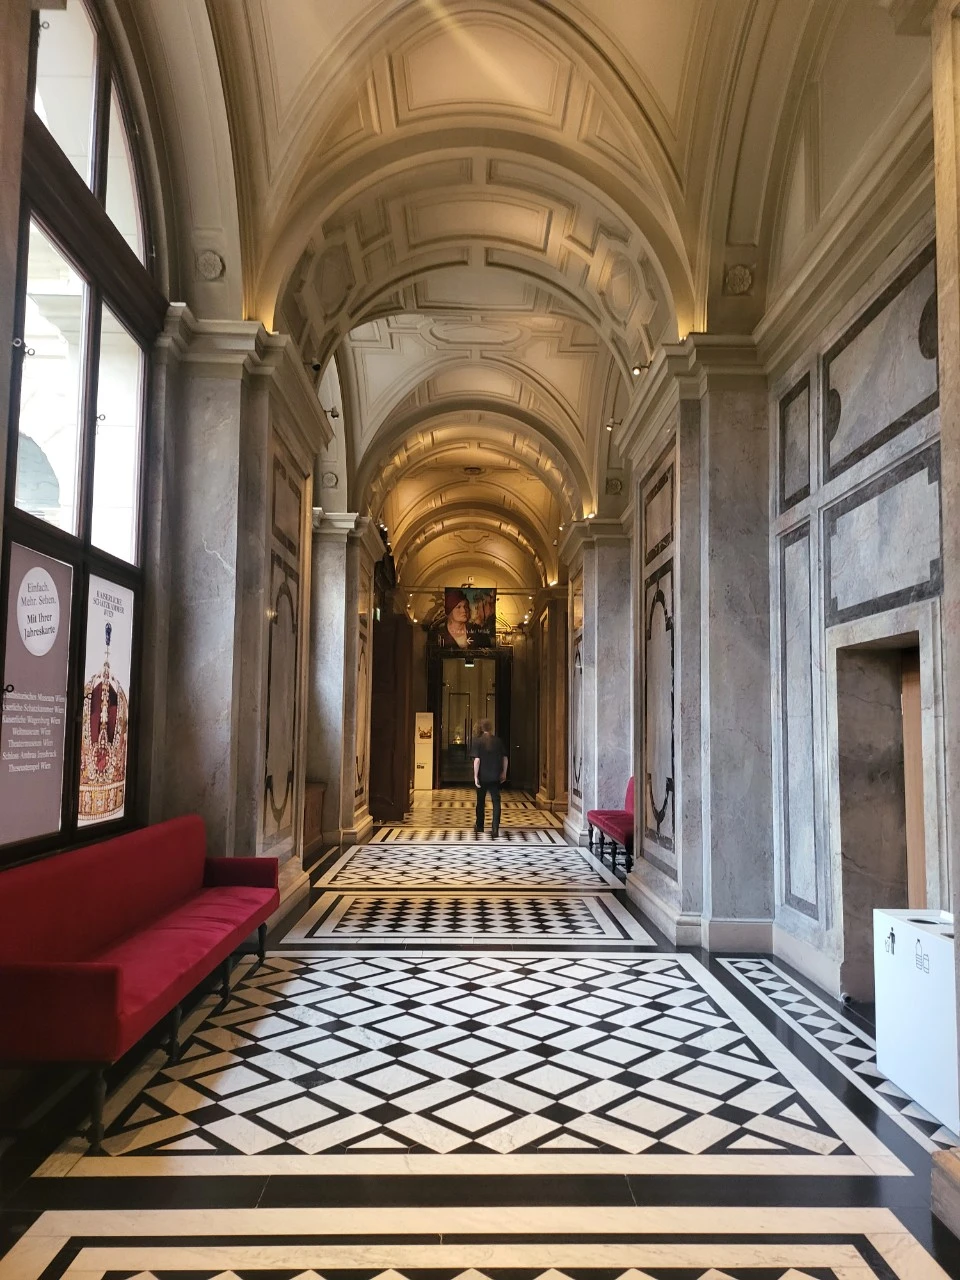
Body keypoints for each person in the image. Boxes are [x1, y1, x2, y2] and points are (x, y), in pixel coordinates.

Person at [471, 718, 508, 837]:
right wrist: (504, 772)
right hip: (495, 776)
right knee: (496, 802)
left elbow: (477, 760)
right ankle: (495, 828)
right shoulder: (498, 741)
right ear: (490, 728)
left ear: (481, 728)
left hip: (482, 776)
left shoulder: (477, 741)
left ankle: (480, 826)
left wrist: (475, 776)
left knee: (480, 802)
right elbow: (505, 758)